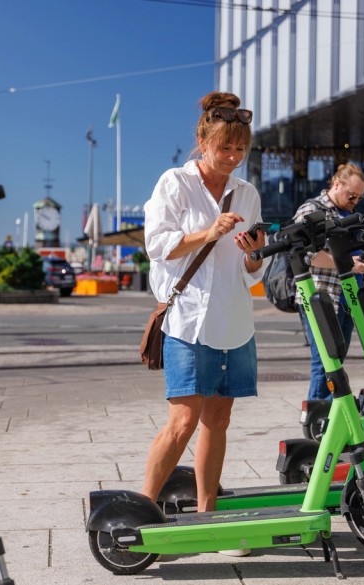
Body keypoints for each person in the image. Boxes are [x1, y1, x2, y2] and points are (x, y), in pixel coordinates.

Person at [141, 91, 267, 555]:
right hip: (188, 319)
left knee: (219, 418)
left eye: (240, 150)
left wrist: (255, 254)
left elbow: (250, 270)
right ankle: (140, 509)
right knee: (183, 419)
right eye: (224, 148)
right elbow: (159, 246)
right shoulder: (175, 183)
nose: (232, 157)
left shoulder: (247, 193)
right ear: (202, 139)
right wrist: (208, 232)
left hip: (235, 320)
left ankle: (207, 519)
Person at [292, 163, 364, 401]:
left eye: (359, 198)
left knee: (337, 362)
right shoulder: (312, 210)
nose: (355, 201)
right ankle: (316, 424)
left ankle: (332, 420)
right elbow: (306, 255)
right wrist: (349, 264)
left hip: (349, 298)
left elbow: (351, 255)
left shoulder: (349, 215)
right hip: (322, 296)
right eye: (352, 195)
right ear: (336, 184)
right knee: (325, 363)